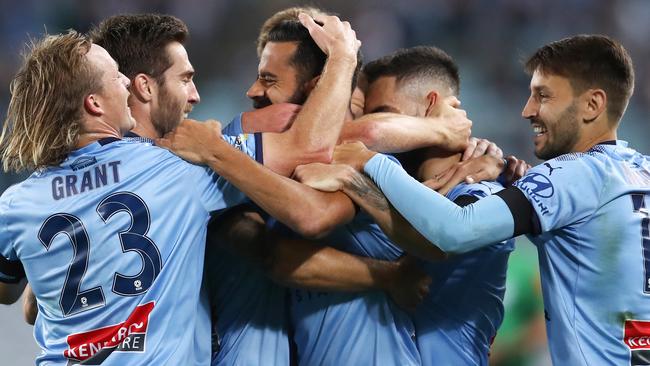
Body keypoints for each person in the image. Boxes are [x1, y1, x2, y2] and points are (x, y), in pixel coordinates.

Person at [314, 34, 650, 365]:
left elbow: (455, 230)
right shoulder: (640, 171)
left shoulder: (573, 175)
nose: (526, 110)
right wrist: (519, 180)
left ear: (592, 105)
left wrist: (368, 162)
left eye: (543, 96)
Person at [0, 31, 254, 365]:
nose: (125, 80)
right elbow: (301, 148)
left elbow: (8, 293)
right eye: (116, 74)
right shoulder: (175, 168)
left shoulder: (16, 204)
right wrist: (340, 55)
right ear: (94, 103)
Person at [295, 45, 517, 366]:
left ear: (431, 106)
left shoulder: (482, 194)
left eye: (384, 112)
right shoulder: (395, 191)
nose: (374, 131)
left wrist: (359, 173)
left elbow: (443, 235)